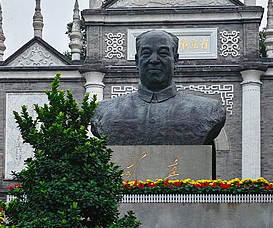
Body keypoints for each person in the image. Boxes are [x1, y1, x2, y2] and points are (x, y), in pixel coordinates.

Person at [92, 29, 226, 145]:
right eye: (146, 53)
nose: (154, 60)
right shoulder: (105, 112)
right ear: (137, 61)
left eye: (163, 53)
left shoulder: (208, 110)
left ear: (176, 60)